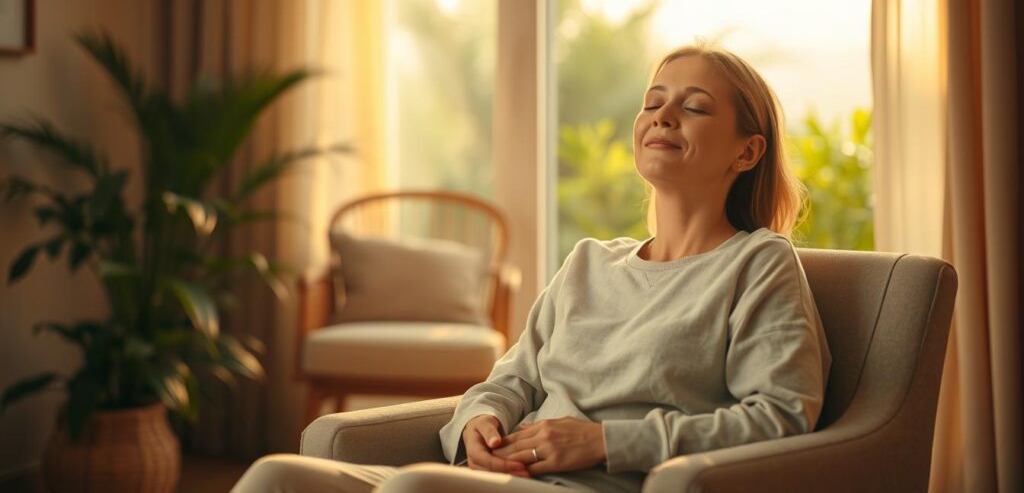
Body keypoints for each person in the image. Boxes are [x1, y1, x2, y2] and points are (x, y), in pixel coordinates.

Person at [230, 43, 833, 493]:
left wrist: (604, 442)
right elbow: (512, 381)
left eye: (694, 107)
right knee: (277, 475)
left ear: (747, 152)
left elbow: (782, 415)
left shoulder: (758, 263)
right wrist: (480, 422)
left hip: (598, 485)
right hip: (503, 477)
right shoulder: (590, 262)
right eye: (653, 102)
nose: (663, 115)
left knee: (416, 488)